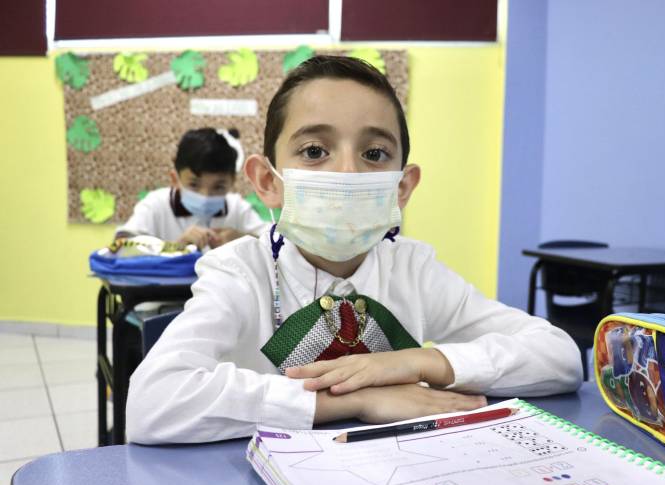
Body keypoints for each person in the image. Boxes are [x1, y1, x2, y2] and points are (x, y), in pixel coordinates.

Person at [126, 56, 582, 444]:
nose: (346, 172)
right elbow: (152, 402)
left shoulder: (413, 269)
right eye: (314, 150)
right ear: (267, 182)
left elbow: (559, 358)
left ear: (402, 188)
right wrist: (356, 398)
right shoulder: (240, 272)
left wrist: (418, 361)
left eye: (375, 154)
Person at [116, 128, 268, 249]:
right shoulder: (155, 205)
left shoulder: (236, 208)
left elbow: (278, 245)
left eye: (219, 187)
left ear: (232, 182)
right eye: (194, 185)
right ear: (175, 179)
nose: (206, 196)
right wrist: (174, 247)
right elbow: (119, 247)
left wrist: (245, 240)